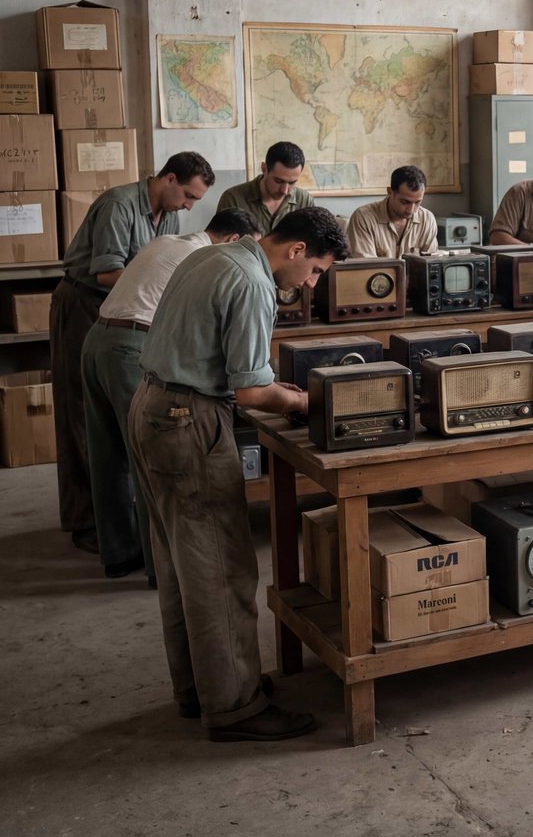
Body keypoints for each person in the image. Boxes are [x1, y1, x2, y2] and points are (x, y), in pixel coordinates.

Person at [126, 207, 347, 743]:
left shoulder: (214, 255)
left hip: (151, 406)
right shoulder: (252, 283)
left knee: (180, 562)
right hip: (188, 420)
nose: (311, 283)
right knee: (221, 569)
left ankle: (201, 689)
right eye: (316, 270)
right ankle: (234, 707)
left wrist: (273, 389)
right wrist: (299, 400)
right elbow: (250, 393)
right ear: (296, 250)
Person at [81, 208, 259, 582]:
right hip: (130, 346)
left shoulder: (168, 240)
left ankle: (117, 554)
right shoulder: (208, 258)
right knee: (148, 457)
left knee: (106, 453)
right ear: (233, 241)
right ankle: (159, 570)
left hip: (97, 339)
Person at [51, 152, 215, 555]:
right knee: (83, 414)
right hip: (86, 302)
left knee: (126, 418)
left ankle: (122, 526)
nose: (189, 207)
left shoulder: (169, 215)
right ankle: (86, 522)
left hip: (130, 312)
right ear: (170, 178)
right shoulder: (119, 204)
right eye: (188, 196)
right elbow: (108, 272)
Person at [215, 141, 314, 235]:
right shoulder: (233, 199)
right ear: (264, 169)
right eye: (278, 181)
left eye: (292, 182)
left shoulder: (304, 200)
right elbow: (221, 243)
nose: (284, 190)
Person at [345, 164, 438, 258]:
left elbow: (431, 262)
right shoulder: (363, 218)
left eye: (417, 202)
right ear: (390, 192)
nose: (411, 210)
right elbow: (366, 265)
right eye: (404, 202)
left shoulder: (427, 219)